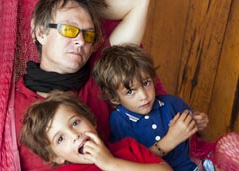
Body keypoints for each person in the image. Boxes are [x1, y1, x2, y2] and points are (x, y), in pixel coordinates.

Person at [15, 0, 169, 170]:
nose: (80, 41)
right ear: (40, 32)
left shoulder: (103, 73)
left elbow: (138, 3)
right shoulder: (12, 109)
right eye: (69, 29)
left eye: (88, 34)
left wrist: (86, 6)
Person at [92, 43, 212, 171]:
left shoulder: (172, 103)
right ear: (114, 98)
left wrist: (199, 122)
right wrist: (170, 140)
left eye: (146, 83)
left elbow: (197, 137)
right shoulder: (119, 121)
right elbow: (131, 163)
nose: (144, 96)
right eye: (130, 92)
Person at [20, 90, 173, 171]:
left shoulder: (128, 147)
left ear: (91, 120)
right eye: (60, 138)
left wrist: (112, 164)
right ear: (55, 157)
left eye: (75, 123)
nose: (75, 135)